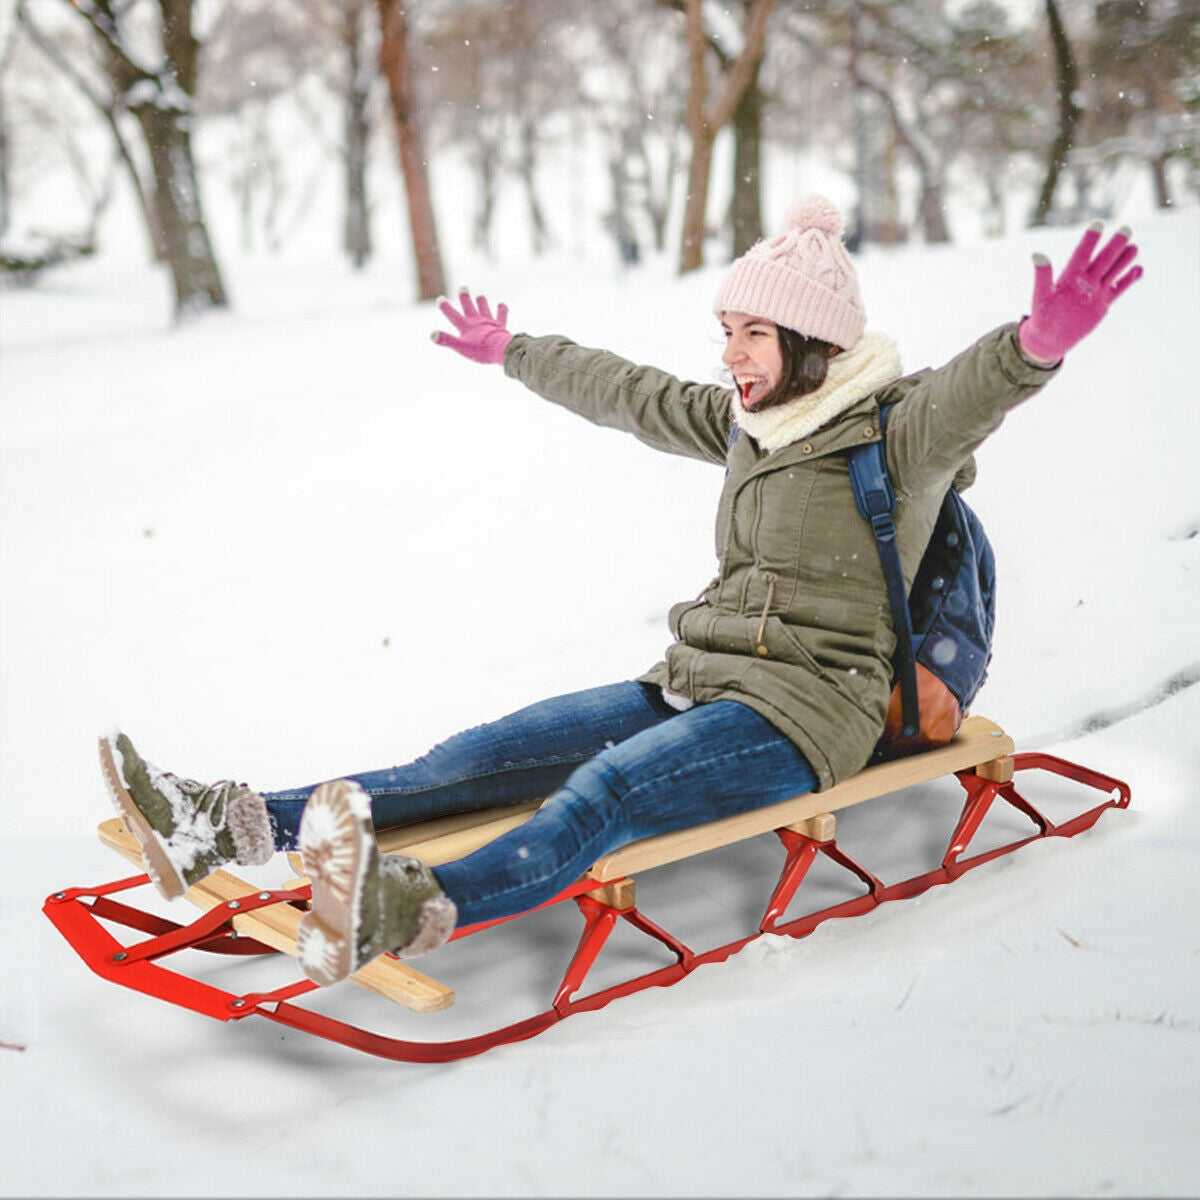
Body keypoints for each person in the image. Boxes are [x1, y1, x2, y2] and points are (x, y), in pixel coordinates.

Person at [101, 196, 1142, 987]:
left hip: (806, 712)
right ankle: (226, 825)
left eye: (753, 335)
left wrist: (1037, 343)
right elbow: (627, 394)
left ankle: (404, 907)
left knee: (604, 798)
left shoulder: (897, 433)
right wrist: (515, 351)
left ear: (812, 343)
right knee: (465, 761)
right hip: (698, 677)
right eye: (725, 331)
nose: (731, 356)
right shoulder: (751, 421)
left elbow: (976, 390)